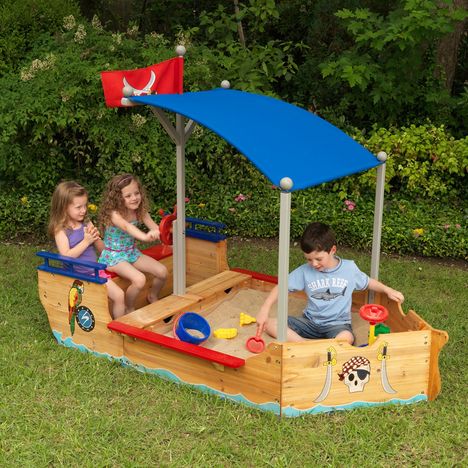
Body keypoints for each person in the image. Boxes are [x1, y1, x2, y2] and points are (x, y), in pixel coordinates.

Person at [256, 222, 404, 345]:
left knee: (347, 338)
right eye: (309, 259)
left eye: (319, 259)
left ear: (332, 250)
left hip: (337, 325)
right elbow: (282, 287)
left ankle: (321, 346)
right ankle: (304, 344)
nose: (314, 264)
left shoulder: (349, 268)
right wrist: (265, 308)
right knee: (270, 324)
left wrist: (388, 290)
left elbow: (367, 282)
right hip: (310, 322)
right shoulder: (304, 271)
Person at [48, 181, 126, 318]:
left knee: (119, 295)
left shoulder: (85, 222)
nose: (84, 210)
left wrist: (97, 238)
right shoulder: (60, 230)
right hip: (75, 276)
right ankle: (117, 325)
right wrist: (86, 241)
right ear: (64, 207)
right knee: (116, 296)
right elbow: (66, 257)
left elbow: (102, 250)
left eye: (85, 205)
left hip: (94, 272)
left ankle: (119, 324)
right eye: (78, 207)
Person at [98, 174, 167, 313]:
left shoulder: (140, 211)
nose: (134, 198)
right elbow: (127, 227)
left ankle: (152, 296)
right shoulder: (114, 214)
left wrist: (162, 232)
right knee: (139, 280)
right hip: (114, 257)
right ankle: (128, 307)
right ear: (118, 198)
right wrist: (145, 237)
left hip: (131, 253)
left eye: (136, 193)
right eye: (128, 196)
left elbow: (155, 227)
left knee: (162, 272)